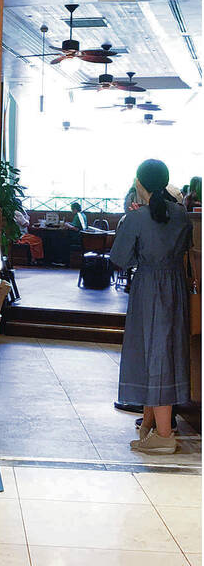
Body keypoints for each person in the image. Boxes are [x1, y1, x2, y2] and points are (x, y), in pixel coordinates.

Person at [110, 159, 192, 455]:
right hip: (175, 286)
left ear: (139, 183)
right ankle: (150, 427)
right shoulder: (181, 215)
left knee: (152, 352)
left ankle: (164, 434)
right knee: (165, 352)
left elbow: (119, 258)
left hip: (148, 288)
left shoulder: (137, 218)